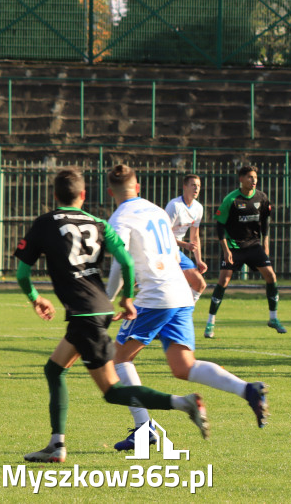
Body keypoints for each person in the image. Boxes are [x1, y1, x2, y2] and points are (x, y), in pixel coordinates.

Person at [14, 168, 208, 463]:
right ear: (83, 195)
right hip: (100, 306)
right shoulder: (99, 222)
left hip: (84, 314)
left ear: (54, 196)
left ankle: (183, 404)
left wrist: (35, 298)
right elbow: (127, 261)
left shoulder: (44, 223)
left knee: (112, 391)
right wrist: (128, 297)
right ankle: (56, 443)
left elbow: (22, 272)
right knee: (54, 369)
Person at [102, 165, 269, 451]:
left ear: (110, 192)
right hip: (179, 292)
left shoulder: (119, 219)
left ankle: (144, 430)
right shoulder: (156, 210)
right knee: (183, 366)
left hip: (154, 296)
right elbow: (172, 251)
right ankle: (247, 389)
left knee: (118, 359)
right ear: (138, 187)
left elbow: (120, 262)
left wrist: (109, 301)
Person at [205, 165, 284, 338]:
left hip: (254, 245)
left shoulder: (262, 198)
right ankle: (210, 323)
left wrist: (266, 243)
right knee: (223, 280)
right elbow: (220, 225)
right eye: (249, 177)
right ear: (241, 179)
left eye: (255, 177)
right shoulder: (231, 200)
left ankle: (273, 318)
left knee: (271, 276)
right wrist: (225, 250)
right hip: (233, 246)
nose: (253, 180)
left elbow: (265, 222)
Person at [164, 174, 208, 302]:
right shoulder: (174, 206)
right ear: (184, 187)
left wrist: (199, 260)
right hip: (162, 250)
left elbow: (195, 236)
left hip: (175, 252)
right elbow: (163, 235)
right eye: (193, 185)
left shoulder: (198, 208)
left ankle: (183, 313)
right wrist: (184, 245)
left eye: (199, 186)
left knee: (200, 284)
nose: (196, 188)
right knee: (143, 281)